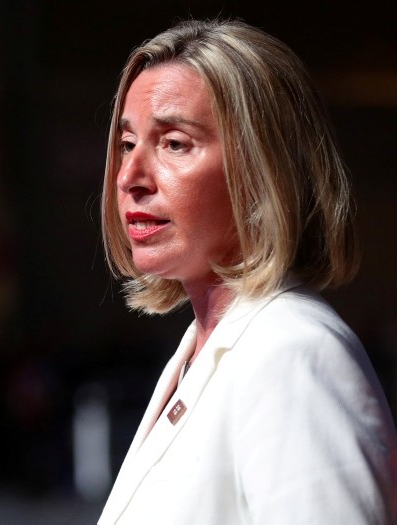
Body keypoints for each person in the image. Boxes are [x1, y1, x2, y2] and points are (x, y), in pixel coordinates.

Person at [97, 18, 397, 524]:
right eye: (128, 144)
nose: (129, 177)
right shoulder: (206, 347)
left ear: (263, 169)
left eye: (174, 143)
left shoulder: (293, 353)